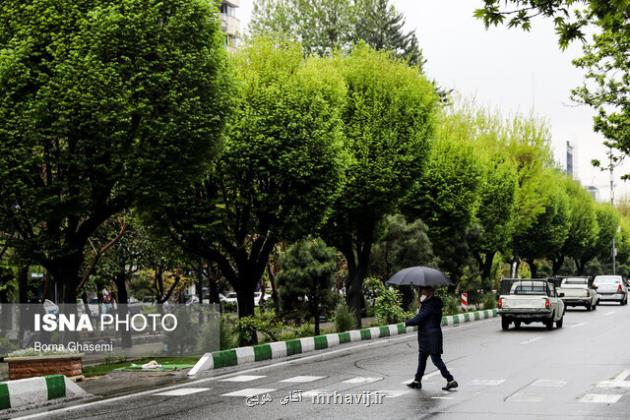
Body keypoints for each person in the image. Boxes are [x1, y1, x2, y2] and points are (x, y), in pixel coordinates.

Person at [405, 286, 458, 391]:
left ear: (430, 293)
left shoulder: (430, 305)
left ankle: (450, 380)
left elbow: (418, 319)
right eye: (421, 292)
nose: (421, 294)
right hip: (427, 337)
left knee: (436, 360)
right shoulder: (429, 304)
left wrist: (406, 323)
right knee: (422, 360)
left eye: (423, 292)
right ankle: (417, 381)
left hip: (431, 337)